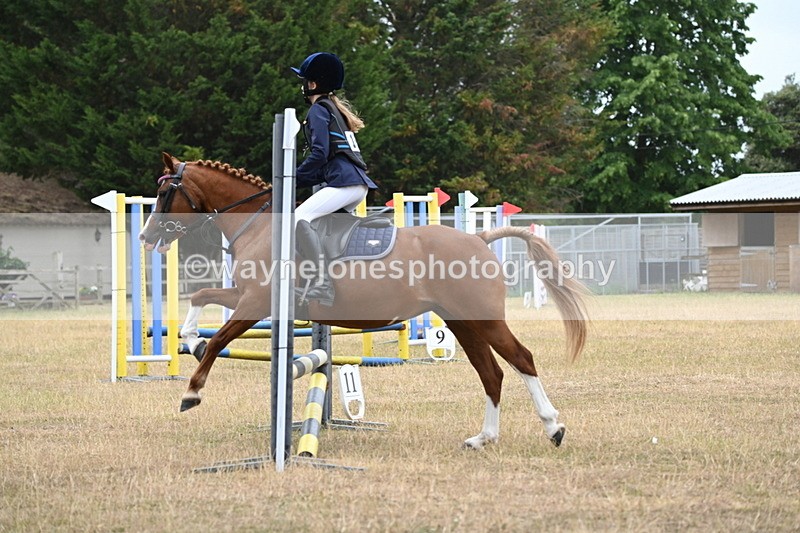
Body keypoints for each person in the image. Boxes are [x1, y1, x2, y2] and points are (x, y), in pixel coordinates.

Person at [290, 52, 377, 306]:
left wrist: (291, 178)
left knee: (300, 218)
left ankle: (323, 285)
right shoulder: (334, 110)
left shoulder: (318, 110)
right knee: (320, 227)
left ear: (313, 84)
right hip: (355, 184)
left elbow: (319, 153)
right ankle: (338, 280)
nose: (302, 85)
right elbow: (326, 161)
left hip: (345, 184)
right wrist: (298, 180)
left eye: (304, 80)